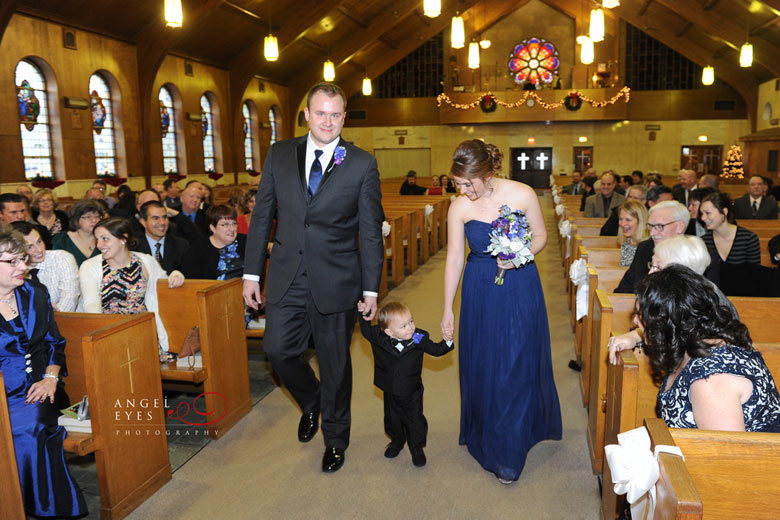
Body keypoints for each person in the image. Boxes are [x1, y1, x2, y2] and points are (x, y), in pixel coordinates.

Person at [242, 82, 384, 473]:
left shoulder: (360, 163)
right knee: (277, 350)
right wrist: (251, 273)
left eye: (335, 114)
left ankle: (336, 439)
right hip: (287, 273)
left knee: (335, 363)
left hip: (337, 279)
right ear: (306, 114)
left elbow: (371, 231)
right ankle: (311, 400)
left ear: (343, 117)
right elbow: (262, 217)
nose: (328, 121)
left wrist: (371, 287)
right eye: (320, 113)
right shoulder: (279, 154)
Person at [440, 139, 561, 484]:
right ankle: (488, 431)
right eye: (458, 183)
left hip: (520, 283)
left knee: (514, 360)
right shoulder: (459, 207)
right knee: (484, 361)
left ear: (487, 172)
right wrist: (448, 308)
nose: (463, 190)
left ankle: (509, 449)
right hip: (480, 287)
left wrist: (518, 253)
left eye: (468, 183)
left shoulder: (522, 194)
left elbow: (540, 237)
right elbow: (453, 259)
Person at [612, 265, 780, 432]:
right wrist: (636, 337)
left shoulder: (711, 383)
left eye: (641, 317)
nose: (635, 321)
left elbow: (730, 456)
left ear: (667, 324)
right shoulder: (701, 341)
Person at [0, 229, 88, 517]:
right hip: (3, 395)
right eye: (12, 261)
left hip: (40, 388)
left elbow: (54, 343)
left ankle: (44, 507)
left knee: (32, 426)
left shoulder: (35, 293)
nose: (24, 267)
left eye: (22, 259)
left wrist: (51, 378)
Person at [357, 301, 453, 467]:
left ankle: (416, 447)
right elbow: (365, 330)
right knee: (392, 419)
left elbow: (436, 350)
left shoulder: (417, 337)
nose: (410, 327)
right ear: (388, 331)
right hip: (390, 390)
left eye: (411, 321)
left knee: (415, 420)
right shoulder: (380, 337)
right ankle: (397, 440)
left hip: (412, 391)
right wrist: (363, 313)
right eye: (403, 326)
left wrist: (448, 341)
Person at [79, 217, 184, 360]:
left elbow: (165, 283)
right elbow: (91, 306)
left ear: (123, 239)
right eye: (97, 239)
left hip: (144, 331)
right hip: (110, 334)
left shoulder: (145, 261)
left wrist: (177, 274)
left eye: (105, 239)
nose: (99, 245)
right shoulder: (90, 266)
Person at [11, 221, 80, 312]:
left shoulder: (61, 258)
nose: (39, 250)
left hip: (67, 320)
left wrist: (49, 321)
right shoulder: (11, 270)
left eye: (39, 241)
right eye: (29, 247)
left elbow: (70, 297)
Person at [182, 205, 246, 280]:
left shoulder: (245, 241)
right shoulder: (198, 248)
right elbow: (193, 281)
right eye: (225, 225)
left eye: (234, 224)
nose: (232, 229)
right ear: (213, 228)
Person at [700, 192, 761, 266]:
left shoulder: (748, 238)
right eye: (702, 213)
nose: (703, 218)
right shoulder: (703, 241)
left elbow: (754, 273)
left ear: (724, 212)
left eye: (708, 213)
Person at [133, 200, 188, 275]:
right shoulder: (134, 247)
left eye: (165, 217)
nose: (162, 222)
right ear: (143, 222)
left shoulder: (180, 245)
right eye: (155, 218)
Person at [51, 199, 103, 267]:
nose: (94, 220)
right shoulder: (62, 240)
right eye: (88, 217)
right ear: (76, 219)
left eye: (97, 216)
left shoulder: (105, 238)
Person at [617, 200, 649, 267]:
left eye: (628, 220)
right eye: (621, 219)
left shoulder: (648, 246)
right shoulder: (626, 243)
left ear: (640, 222)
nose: (622, 224)